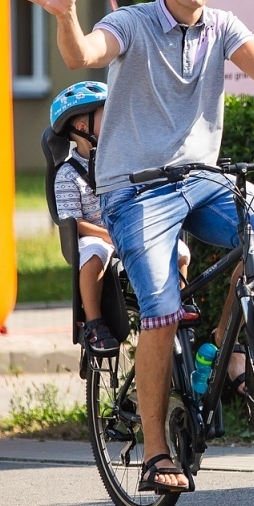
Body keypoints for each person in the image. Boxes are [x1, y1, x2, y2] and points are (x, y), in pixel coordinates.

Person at [18, 0, 254, 496]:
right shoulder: (133, 23)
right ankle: (156, 450)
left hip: (202, 180)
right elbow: (86, 53)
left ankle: (222, 348)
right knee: (161, 311)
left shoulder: (223, 27)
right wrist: (66, 15)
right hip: (134, 190)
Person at [50, 82, 191, 355]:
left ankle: (179, 304)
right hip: (96, 235)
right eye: (109, 115)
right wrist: (109, 235)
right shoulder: (68, 175)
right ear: (82, 129)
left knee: (181, 253)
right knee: (94, 254)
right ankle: (94, 322)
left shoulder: (126, 163)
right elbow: (73, 222)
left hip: (129, 228)